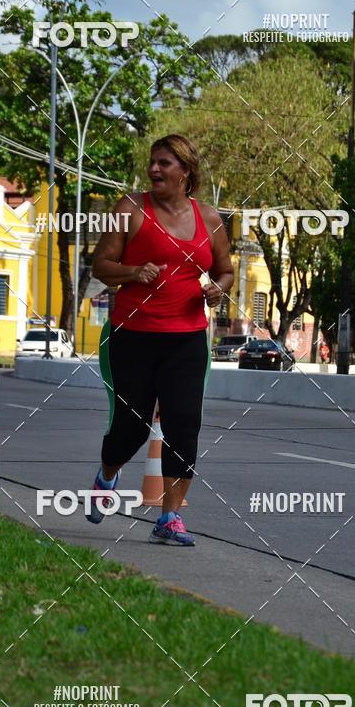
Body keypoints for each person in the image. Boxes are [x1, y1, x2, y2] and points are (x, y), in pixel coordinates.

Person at [90, 134, 234, 546]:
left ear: (186, 172)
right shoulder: (130, 209)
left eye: (164, 163)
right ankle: (107, 475)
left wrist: (217, 289)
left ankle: (169, 517)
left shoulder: (208, 218)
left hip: (187, 339)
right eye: (152, 162)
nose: (154, 170)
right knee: (131, 427)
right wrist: (133, 273)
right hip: (133, 335)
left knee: (183, 426)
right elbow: (101, 264)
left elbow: (225, 269)